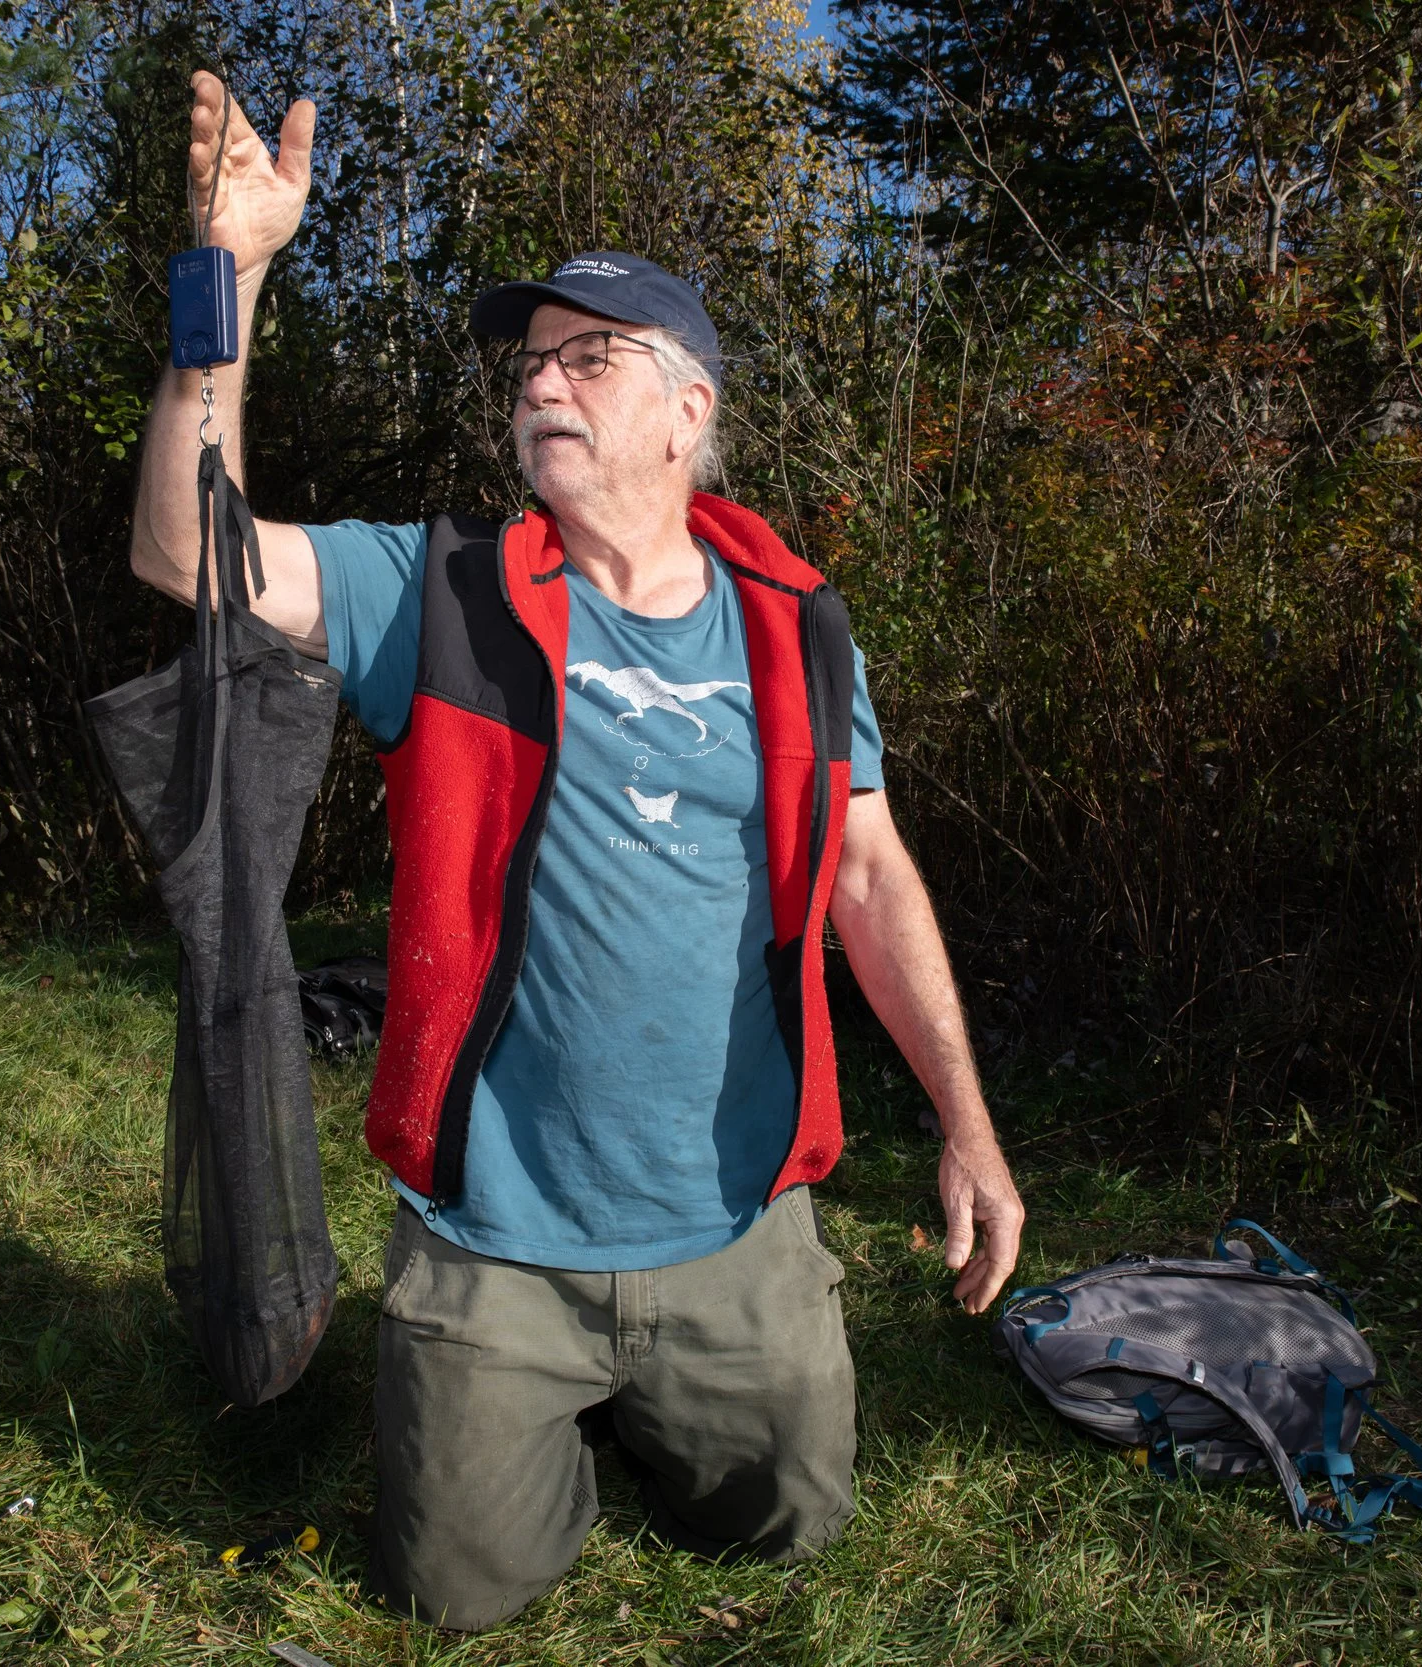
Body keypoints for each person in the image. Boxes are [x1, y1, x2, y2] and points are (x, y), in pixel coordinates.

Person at [129, 72, 1028, 1631]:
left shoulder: (801, 633)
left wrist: (969, 1123)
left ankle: (670, 1384)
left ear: (690, 411)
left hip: (739, 1221)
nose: (540, 382)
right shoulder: (449, 592)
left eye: (589, 356)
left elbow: (873, 879)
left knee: (793, 1531)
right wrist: (231, 284)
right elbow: (182, 551)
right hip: (496, 1244)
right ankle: (547, 1397)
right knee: (457, 1596)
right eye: (530, 363)